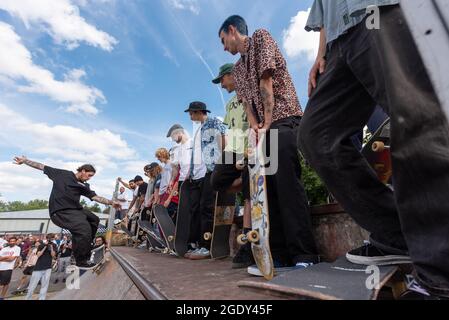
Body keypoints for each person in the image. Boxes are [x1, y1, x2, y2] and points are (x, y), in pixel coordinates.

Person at [298, 1, 449, 299]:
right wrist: (322, 51)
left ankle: (440, 276)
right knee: (317, 137)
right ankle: (396, 235)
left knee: (414, 113)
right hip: (340, 40)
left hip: (381, 10)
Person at [218, 15, 320, 275]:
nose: (223, 46)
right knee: (267, 188)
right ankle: (280, 254)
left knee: (285, 181)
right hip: (263, 128)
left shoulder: (261, 37)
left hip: (284, 118)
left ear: (233, 31)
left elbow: (266, 83)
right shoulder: (238, 69)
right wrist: (255, 129)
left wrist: (267, 124)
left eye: (223, 40)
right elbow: (247, 104)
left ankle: (305, 253)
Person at [13, 157, 121, 269]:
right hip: (60, 212)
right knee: (84, 229)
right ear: (83, 170)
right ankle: (81, 260)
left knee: (94, 219)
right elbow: (41, 166)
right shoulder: (62, 174)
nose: (89, 179)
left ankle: (87, 244)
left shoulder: (84, 186)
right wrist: (25, 161)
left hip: (76, 210)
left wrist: (111, 202)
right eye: (89, 175)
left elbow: (95, 197)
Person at [210, 63, 254, 269]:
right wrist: (226, 155)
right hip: (233, 150)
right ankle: (243, 175)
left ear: (231, 75)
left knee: (248, 195)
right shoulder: (229, 104)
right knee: (217, 180)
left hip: (252, 147)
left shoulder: (251, 90)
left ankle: (248, 242)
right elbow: (230, 130)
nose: (222, 85)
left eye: (222, 80)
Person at [185, 101, 227, 260]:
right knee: (194, 209)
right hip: (196, 174)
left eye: (191, 113)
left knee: (207, 208)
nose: (190, 116)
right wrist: (190, 171)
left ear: (198, 112)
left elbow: (223, 141)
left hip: (211, 170)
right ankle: (195, 243)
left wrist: (222, 164)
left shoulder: (214, 121)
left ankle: (206, 246)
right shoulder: (198, 130)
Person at [26, 234, 57, 300]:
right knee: (32, 285)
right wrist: (44, 247)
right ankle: (28, 298)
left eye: (52, 238)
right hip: (38, 268)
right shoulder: (41, 245)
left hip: (48, 268)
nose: (50, 239)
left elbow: (53, 256)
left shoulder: (54, 245)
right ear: (47, 238)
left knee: (45, 285)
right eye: (49, 238)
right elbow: (38, 255)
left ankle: (42, 298)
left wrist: (51, 248)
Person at [155, 148, 179, 224]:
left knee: (166, 218)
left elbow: (172, 179)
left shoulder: (171, 164)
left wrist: (168, 196)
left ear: (163, 155)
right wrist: (159, 195)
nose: (158, 159)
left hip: (167, 192)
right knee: (161, 218)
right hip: (162, 193)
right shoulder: (164, 167)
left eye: (159, 156)